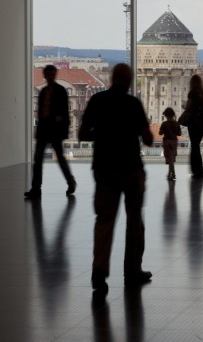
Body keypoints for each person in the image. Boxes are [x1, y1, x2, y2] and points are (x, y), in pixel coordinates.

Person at [79, 63, 154, 293]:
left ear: (111, 78)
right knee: (134, 221)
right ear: (130, 80)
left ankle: (99, 273)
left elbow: (82, 134)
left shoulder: (97, 101)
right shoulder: (133, 104)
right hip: (130, 168)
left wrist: (102, 133)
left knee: (104, 221)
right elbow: (149, 139)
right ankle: (132, 270)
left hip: (104, 168)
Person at [25, 65, 77, 198]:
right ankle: (36, 188)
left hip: (54, 131)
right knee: (39, 160)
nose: (50, 77)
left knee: (58, 159)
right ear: (46, 75)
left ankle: (70, 182)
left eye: (52, 74)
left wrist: (61, 129)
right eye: (49, 74)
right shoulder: (44, 92)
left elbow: (64, 114)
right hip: (44, 131)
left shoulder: (60, 91)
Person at [184, 74, 203, 179]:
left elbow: (188, 107)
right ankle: (198, 171)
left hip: (193, 122)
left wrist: (186, 106)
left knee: (194, 147)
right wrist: (202, 105)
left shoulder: (192, 93)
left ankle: (197, 171)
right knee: (196, 146)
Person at [159, 107, 181, 181]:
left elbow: (160, 133)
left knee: (170, 159)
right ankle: (169, 174)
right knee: (172, 158)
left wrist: (164, 130)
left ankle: (173, 173)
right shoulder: (177, 123)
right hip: (174, 141)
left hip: (167, 141)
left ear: (165, 115)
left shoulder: (164, 124)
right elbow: (179, 133)